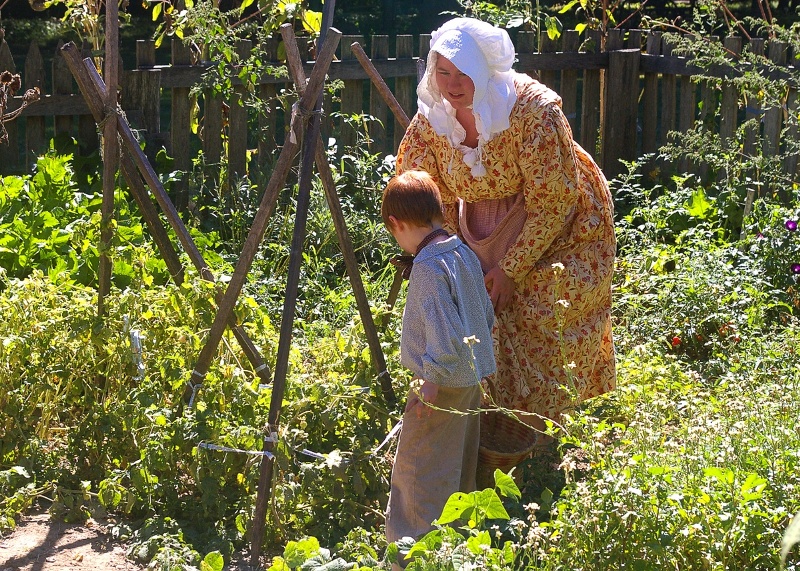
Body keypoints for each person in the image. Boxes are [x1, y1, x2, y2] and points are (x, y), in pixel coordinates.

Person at [396, 17, 616, 437]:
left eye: (464, 73)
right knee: (477, 307)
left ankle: (541, 429)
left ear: (484, 70)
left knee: (543, 305)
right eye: (443, 71)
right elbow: (425, 191)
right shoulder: (432, 119)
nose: (453, 84)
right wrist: (452, 258)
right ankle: (491, 421)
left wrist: (512, 267)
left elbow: (554, 200)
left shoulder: (533, 112)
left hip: (557, 221)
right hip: (478, 224)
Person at [381, 170, 496, 564]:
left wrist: (429, 382)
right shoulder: (462, 251)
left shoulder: (429, 266)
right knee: (455, 467)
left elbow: (443, 334)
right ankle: (455, 549)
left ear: (396, 223)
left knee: (417, 473)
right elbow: (485, 313)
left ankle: (411, 557)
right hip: (468, 381)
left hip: (439, 386)